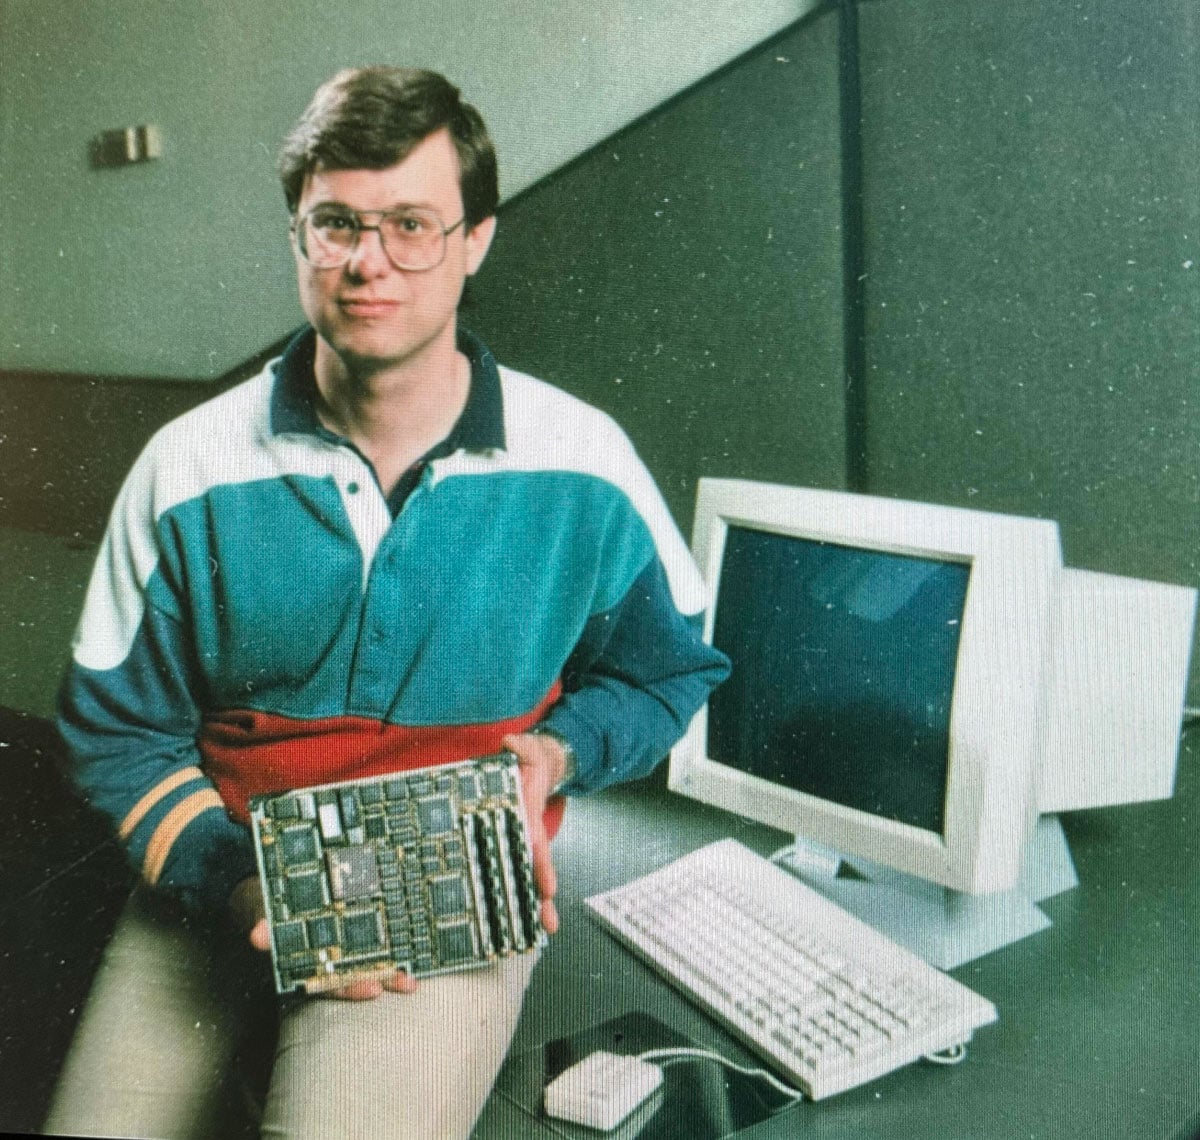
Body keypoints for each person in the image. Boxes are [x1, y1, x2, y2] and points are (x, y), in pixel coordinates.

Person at [45, 65, 729, 1140]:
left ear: (476, 239)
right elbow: (116, 731)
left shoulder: (584, 460)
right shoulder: (187, 466)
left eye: (412, 224)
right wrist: (236, 883)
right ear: (297, 237)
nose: (370, 263)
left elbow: (668, 668)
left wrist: (559, 752)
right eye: (335, 225)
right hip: (232, 857)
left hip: (446, 887)